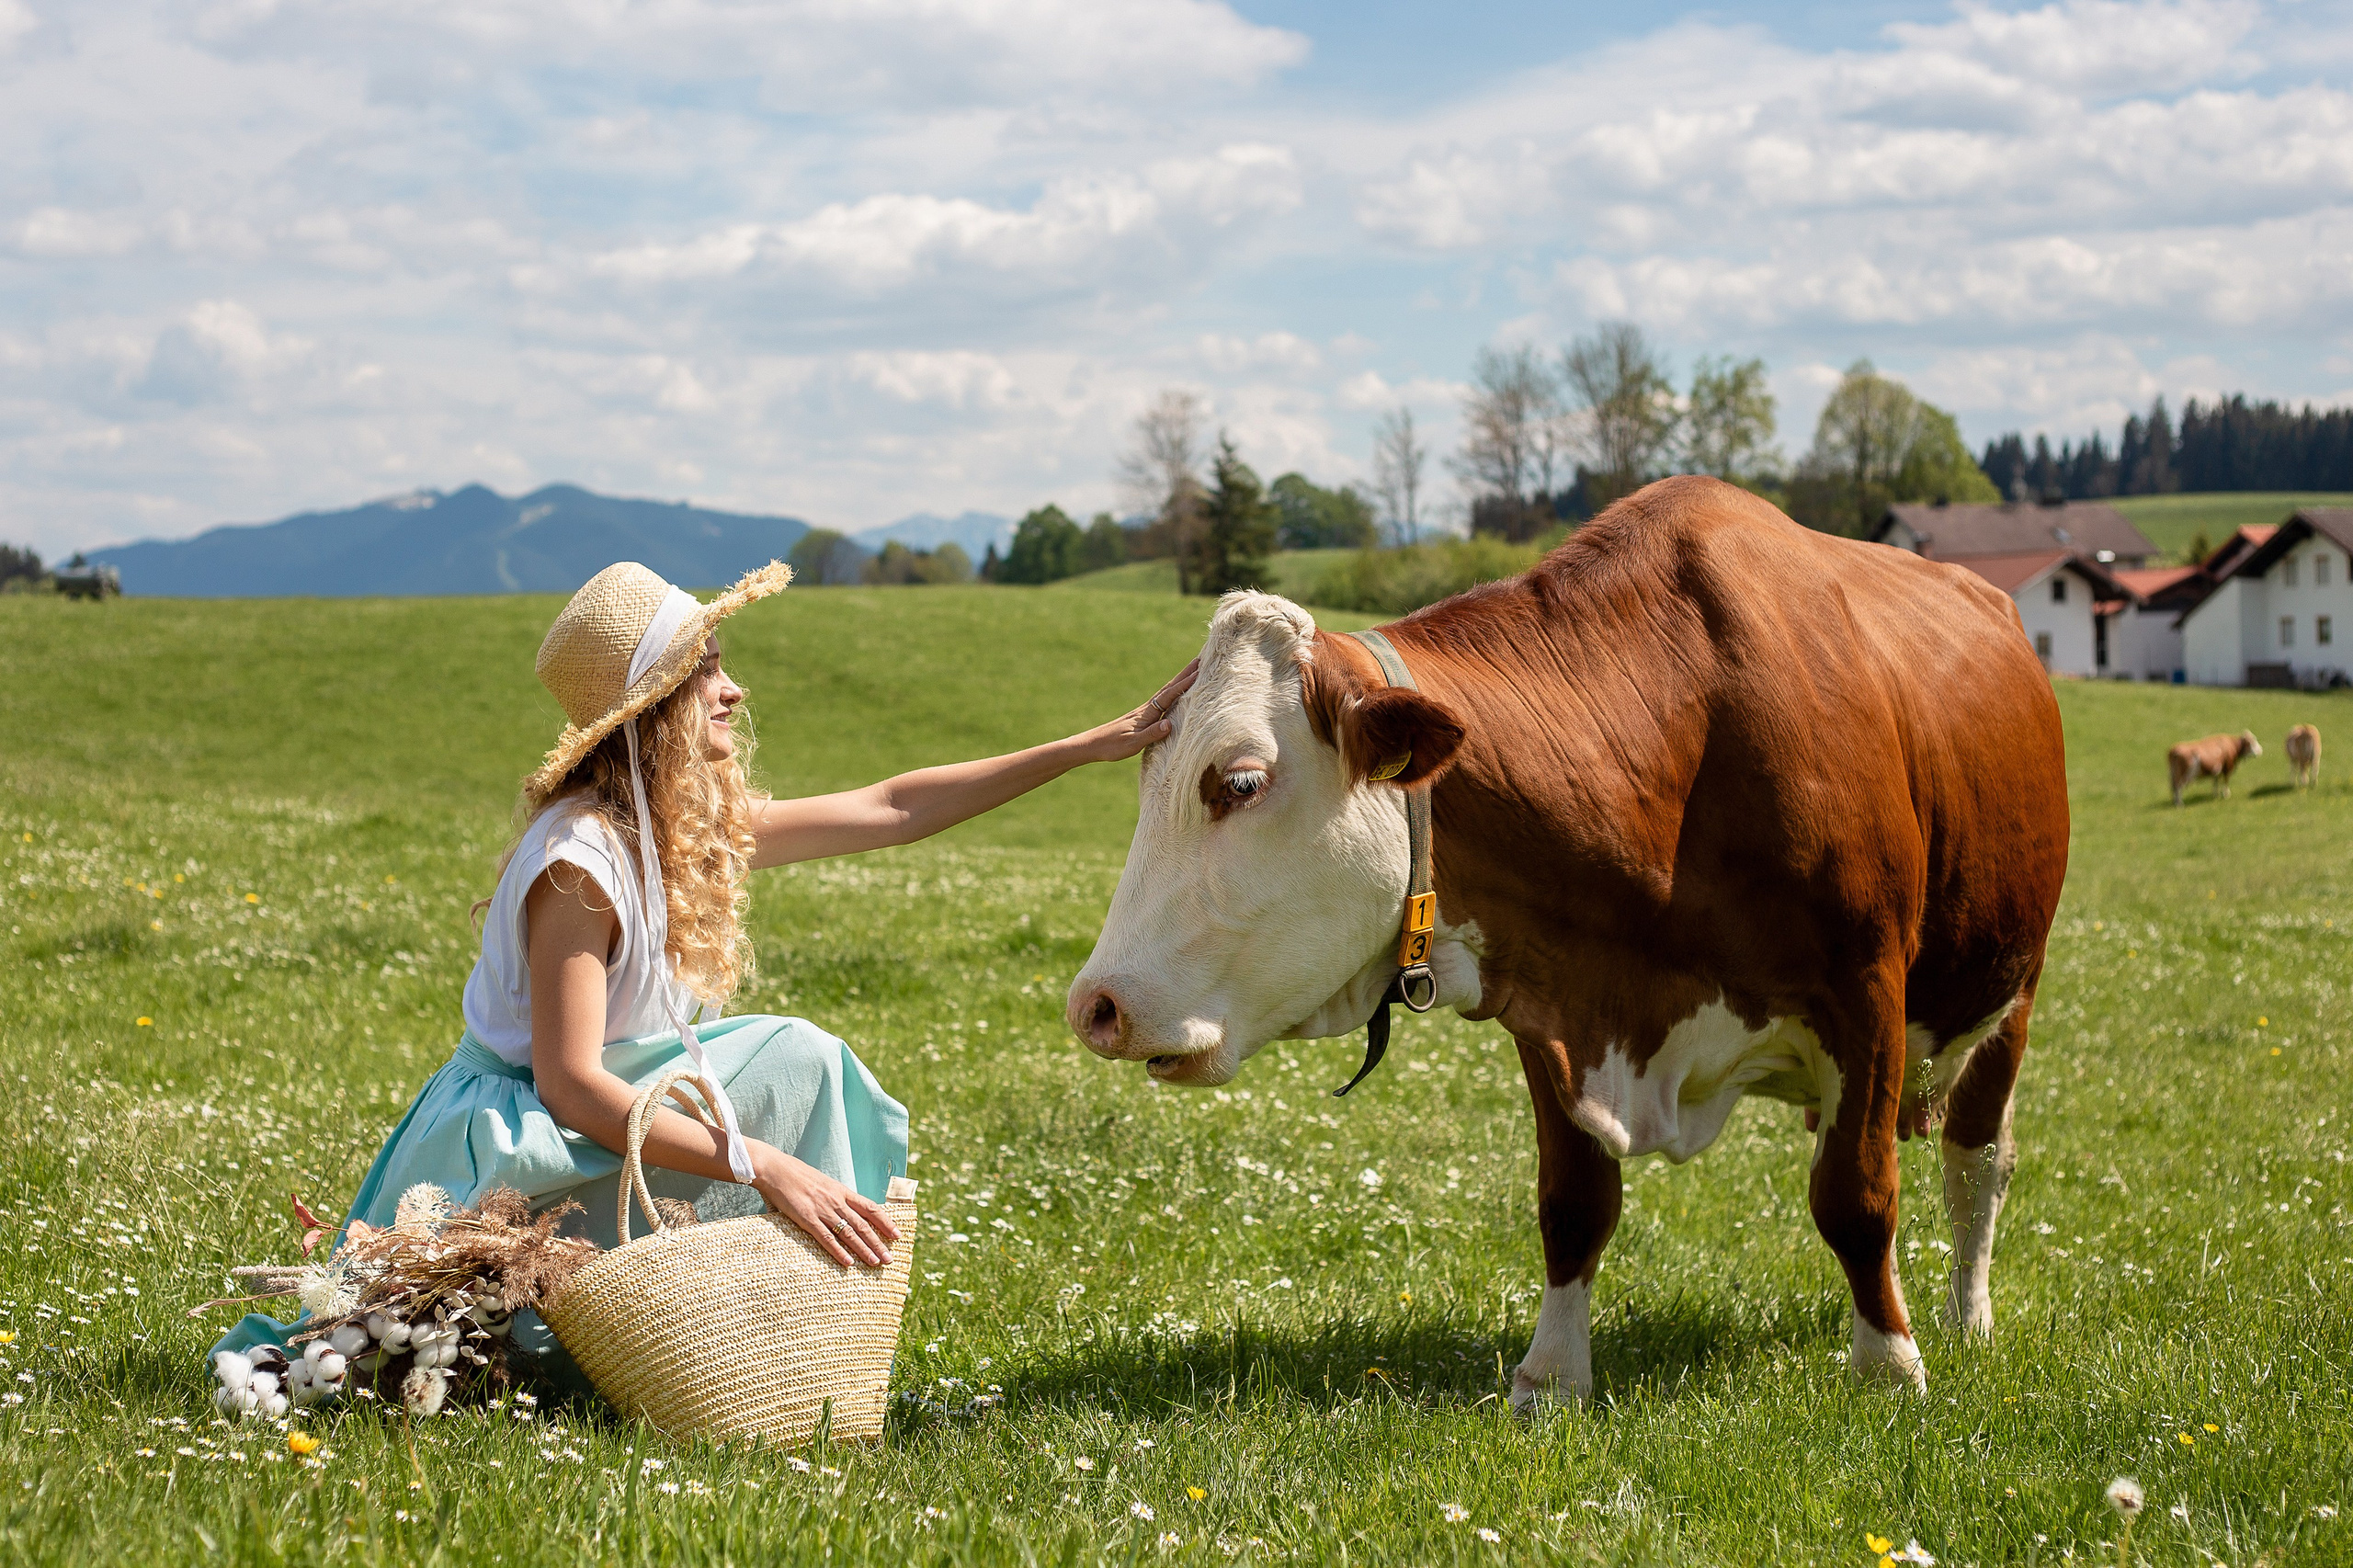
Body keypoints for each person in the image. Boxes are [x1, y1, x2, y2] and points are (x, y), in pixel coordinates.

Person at [210, 559, 1194, 1370]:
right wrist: (760, 1163)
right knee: (487, 1362)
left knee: (802, 1057)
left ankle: (790, 1334)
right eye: (710, 670)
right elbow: (568, 1084)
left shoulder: (677, 826)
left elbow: (895, 805)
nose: (734, 689)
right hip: (514, 1148)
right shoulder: (580, 865)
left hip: (599, 1115)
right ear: (656, 705)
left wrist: (1091, 745)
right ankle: (685, 1339)